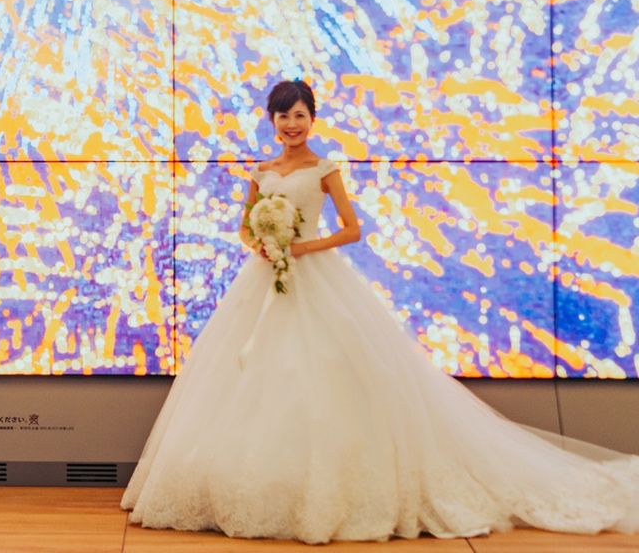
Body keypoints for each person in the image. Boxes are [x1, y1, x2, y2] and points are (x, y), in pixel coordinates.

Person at [123, 79, 639, 543]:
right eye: (283, 115)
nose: (291, 124)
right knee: (246, 375)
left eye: (300, 115)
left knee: (329, 373)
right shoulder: (261, 171)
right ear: (271, 121)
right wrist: (261, 244)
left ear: (312, 119)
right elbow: (244, 225)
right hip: (263, 279)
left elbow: (352, 229)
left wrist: (301, 247)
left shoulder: (324, 169)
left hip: (315, 276)